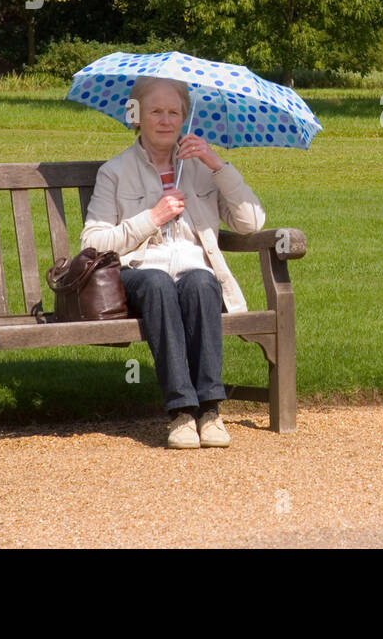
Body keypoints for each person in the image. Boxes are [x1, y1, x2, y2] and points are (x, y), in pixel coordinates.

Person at [80, 75, 267, 449]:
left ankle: (210, 409)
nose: (165, 120)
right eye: (155, 111)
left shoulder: (200, 167)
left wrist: (216, 163)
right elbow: (93, 242)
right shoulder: (114, 171)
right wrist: (152, 218)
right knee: (159, 284)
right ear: (136, 115)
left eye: (173, 112)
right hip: (140, 274)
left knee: (201, 282)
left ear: (185, 117)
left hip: (194, 270)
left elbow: (252, 222)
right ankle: (182, 413)